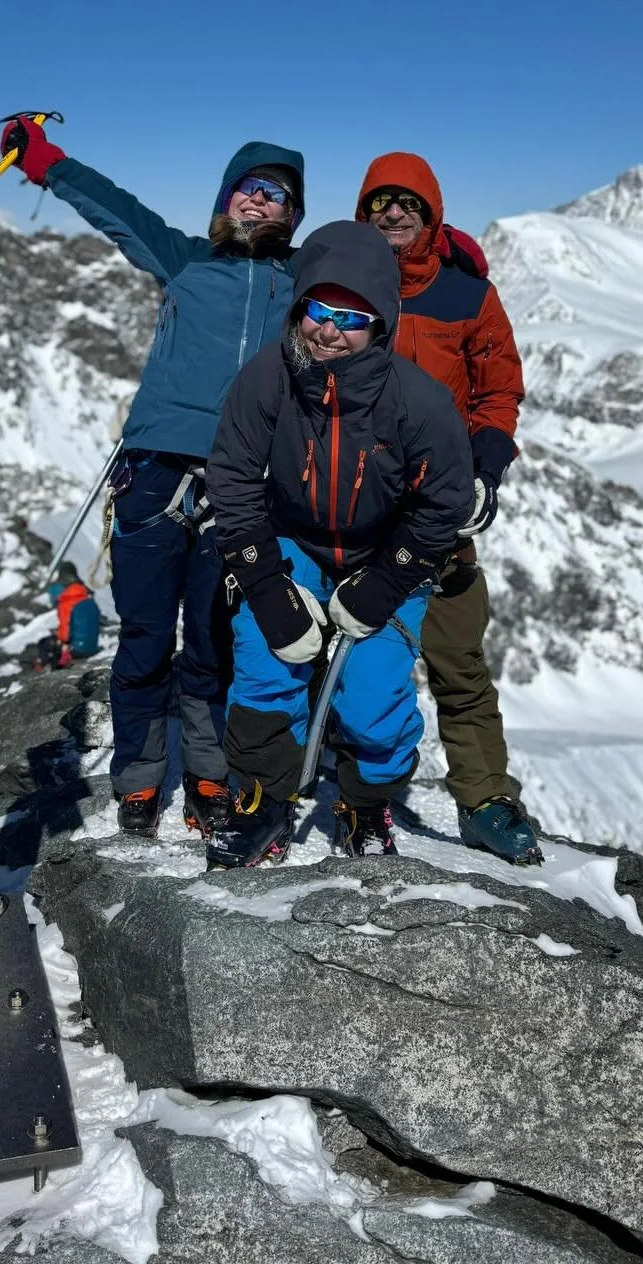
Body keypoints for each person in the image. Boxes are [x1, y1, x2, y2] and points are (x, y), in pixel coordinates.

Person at [1, 116, 305, 837]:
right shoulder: (185, 259)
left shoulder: (300, 288)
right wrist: (46, 163)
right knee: (143, 640)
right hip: (154, 473)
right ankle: (139, 780)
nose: (260, 202)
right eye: (249, 188)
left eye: (278, 196)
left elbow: (373, 293)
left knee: (209, 645)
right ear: (228, 198)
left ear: (293, 216)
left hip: (240, 483)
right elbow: (118, 211)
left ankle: (206, 775)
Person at [205, 220, 474, 867]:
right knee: (266, 662)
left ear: (381, 322)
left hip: (384, 548)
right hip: (292, 538)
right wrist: (268, 588)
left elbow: (446, 504)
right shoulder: (266, 379)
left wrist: (385, 583)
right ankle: (264, 797)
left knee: (375, 693)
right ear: (299, 309)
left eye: (351, 316)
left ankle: (364, 798)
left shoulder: (418, 402)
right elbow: (233, 481)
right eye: (318, 310)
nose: (329, 329)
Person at [355, 153, 538, 865]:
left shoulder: (469, 298)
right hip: (352, 505)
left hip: (439, 509)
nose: (393, 214)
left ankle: (486, 798)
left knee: (457, 657)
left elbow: (498, 390)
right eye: (380, 203)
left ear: (432, 214)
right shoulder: (344, 288)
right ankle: (353, 788)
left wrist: (486, 472)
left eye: (409, 203)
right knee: (354, 651)